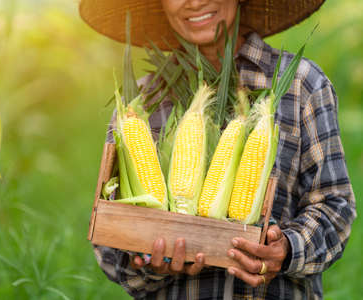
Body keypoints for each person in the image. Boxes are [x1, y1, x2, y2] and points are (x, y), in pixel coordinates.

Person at [79, 0, 356, 299]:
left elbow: (334, 207)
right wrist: (148, 264)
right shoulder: (140, 104)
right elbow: (109, 246)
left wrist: (287, 249)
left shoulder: (303, 85)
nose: (195, 2)